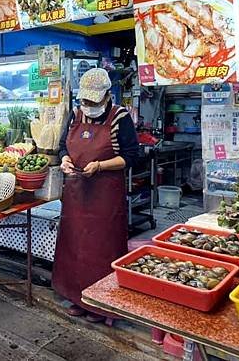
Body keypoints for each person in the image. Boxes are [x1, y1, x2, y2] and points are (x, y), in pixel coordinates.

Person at [52, 68, 139, 324]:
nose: (88, 106)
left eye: (93, 101)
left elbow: (132, 156)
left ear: (106, 96)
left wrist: (101, 166)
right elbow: (62, 147)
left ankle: (101, 305)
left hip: (105, 198)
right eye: (85, 101)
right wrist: (64, 160)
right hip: (76, 194)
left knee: (101, 250)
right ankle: (77, 298)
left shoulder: (119, 117)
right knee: (75, 248)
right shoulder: (76, 114)